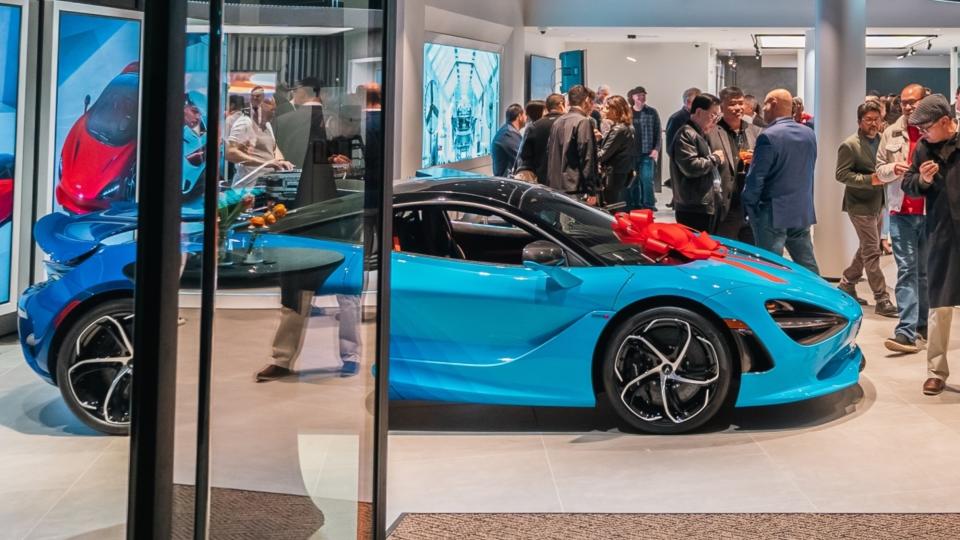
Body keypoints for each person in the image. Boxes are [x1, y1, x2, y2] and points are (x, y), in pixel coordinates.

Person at [901, 94, 960, 396]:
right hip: (940, 233)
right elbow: (908, 183)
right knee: (940, 304)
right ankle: (936, 371)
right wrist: (921, 180)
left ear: (946, 122)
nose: (922, 134)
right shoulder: (924, 148)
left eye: (926, 127)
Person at [875, 83, 929, 354]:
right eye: (905, 102)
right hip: (900, 211)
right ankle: (906, 330)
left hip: (931, 212)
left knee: (924, 272)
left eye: (913, 101)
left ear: (925, 100)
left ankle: (921, 326)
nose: (908, 106)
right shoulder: (891, 132)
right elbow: (879, 170)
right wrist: (892, 168)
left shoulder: (936, 132)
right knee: (907, 270)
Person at [742, 89, 820, 274]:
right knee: (807, 264)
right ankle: (818, 299)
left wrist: (749, 207)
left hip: (772, 211)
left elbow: (756, 178)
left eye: (766, 104)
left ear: (774, 103)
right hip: (801, 209)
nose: (764, 110)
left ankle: (774, 302)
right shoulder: (809, 134)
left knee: (770, 267)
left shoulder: (768, 136)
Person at [835, 100, 898, 317]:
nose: (873, 123)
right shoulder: (850, 145)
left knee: (866, 248)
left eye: (876, 119)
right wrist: (870, 180)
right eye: (868, 120)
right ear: (859, 122)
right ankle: (882, 298)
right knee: (872, 250)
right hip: (859, 205)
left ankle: (846, 283)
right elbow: (841, 175)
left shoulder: (883, 140)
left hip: (879, 203)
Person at [706, 86, 760, 243]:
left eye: (740, 103)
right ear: (721, 106)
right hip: (724, 201)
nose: (738, 108)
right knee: (724, 246)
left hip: (749, 199)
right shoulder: (712, 131)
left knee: (751, 249)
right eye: (732, 104)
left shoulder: (754, 130)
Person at [670, 93, 725, 232]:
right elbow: (691, 167)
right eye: (713, 115)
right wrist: (715, 158)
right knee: (695, 249)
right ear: (699, 112)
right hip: (693, 207)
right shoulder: (686, 133)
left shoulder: (700, 134)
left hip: (703, 204)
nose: (714, 120)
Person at [545, 85, 599, 204]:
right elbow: (586, 157)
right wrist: (591, 190)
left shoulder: (558, 122)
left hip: (555, 186)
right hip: (574, 189)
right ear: (586, 101)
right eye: (592, 102)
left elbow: (549, 152)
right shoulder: (583, 121)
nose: (593, 107)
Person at [227, 94, 294, 187]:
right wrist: (264, 163)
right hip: (246, 188)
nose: (274, 112)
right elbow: (230, 153)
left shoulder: (267, 125)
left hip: (263, 187)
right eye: (272, 109)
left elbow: (273, 147)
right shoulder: (245, 123)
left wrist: (280, 162)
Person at [597, 95, 637, 209]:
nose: (604, 110)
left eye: (607, 107)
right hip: (621, 174)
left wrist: (593, 143)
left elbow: (602, 155)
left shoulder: (618, 129)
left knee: (611, 210)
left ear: (615, 110)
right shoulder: (628, 127)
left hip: (613, 176)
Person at [515, 93, 564, 183]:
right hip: (563, 179)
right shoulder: (566, 123)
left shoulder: (533, 128)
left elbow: (524, 155)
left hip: (539, 179)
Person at [627, 86, 662, 211]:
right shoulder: (628, 112)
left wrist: (656, 149)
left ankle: (649, 204)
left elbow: (658, 132)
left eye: (643, 95)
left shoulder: (652, 112)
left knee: (647, 179)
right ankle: (636, 204)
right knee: (634, 180)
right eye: (639, 95)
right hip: (631, 153)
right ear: (633, 97)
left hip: (647, 152)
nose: (642, 97)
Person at [491, 103, 525, 177]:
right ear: (519, 116)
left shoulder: (507, 131)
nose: (526, 118)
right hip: (506, 182)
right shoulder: (509, 134)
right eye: (524, 115)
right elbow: (522, 157)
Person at [665, 87, 701, 153]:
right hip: (682, 162)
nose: (700, 106)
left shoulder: (698, 118)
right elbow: (670, 148)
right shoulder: (675, 119)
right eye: (697, 103)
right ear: (688, 102)